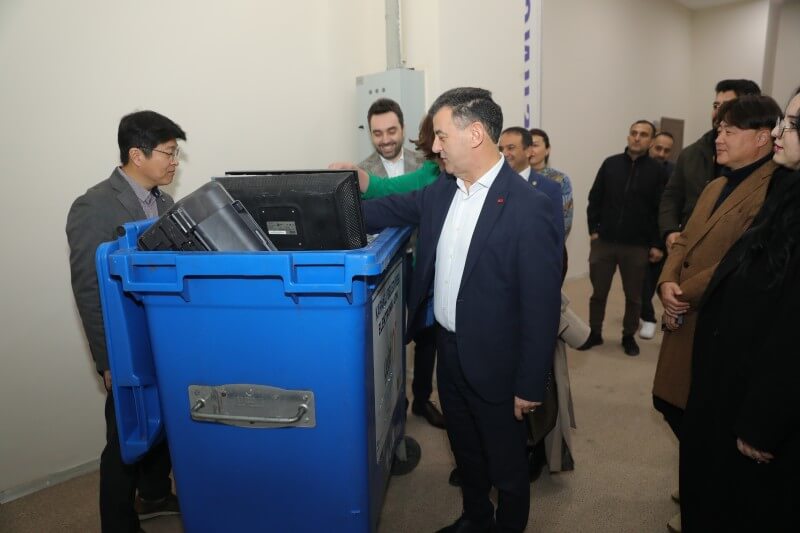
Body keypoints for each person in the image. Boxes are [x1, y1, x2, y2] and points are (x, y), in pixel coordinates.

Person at [362, 87, 563, 533]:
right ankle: (475, 517)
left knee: (507, 467)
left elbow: (542, 305)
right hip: (449, 352)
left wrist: (530, 383)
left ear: (474, 134)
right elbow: (385, 209)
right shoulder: (441, 192)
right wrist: (324, 205)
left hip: (499, 363)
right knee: (466, 451)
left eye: (440, 136)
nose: (434, 148)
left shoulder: (530, 208)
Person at [654, 95, 782, 533]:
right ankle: (699, 485)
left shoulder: (772, 190)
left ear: (762, 138)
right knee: (671, 404)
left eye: (730, 131)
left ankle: (705, 496)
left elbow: (738, 260)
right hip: (683, 312)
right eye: (719, 129)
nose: (719, 138)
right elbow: (683, 241)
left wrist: (683, 294)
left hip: (716, 319)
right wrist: (666, 283)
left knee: (707, 421)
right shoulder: (715, 185)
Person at [679, 87, 800, 532]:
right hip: (728, 380)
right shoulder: (786, 193)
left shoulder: (776, 191)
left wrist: (762, 420)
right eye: (783, 121)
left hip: (757, 400)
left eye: (793, 125)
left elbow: (791, 331)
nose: (780, 133)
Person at [66, 110, 185, 533]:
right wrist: (107, 361)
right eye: (169, 153)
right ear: (137, 154)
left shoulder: (165, 203)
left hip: (162, 336)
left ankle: (153, 495)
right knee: (125, 437)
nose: (175, 162)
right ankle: (117, 523)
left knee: (165, 422)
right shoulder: (93, 206)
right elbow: (88, 290)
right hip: (126, 343)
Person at [581, 120, 666, 356]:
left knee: (634, 296)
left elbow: (660, 209)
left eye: (643, 134)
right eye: (633, 133)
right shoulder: (610, 164)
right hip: (604, 242)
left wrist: (656, 243)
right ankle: (595, 332)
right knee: (598, 293)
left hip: (637, 245)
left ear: (651, 141)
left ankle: (628, 336)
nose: (637, 137)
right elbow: (594, 198)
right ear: (628, 136)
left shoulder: (657, 171)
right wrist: (593, 230)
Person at [659, 79, 761, 248]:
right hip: (688, 247)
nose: (718, 112)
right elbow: (671, 196)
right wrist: (670, 231)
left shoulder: (759, 157)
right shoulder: (691, 153)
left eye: (726, 106)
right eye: (715, 106)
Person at [639, 131, 676, 340]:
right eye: (658, 148)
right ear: (651, 145)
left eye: (666, 150)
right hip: (639, 240)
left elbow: (667, 211)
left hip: (664, 241)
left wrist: (659, 245)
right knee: (642, 286)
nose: (661, 153)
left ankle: (668, 325)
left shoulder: (673, 172)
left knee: (666, 289)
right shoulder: (639, 168)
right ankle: (648, 318)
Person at [358, 97, 424, 178]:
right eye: (378, 134)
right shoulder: (360, 174)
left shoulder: (425, 164)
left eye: (391, 132)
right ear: (371, 135)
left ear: (403, 130)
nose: (385, 140)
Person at [529, 128, 574, 237]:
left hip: (549, 241)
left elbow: (565, 218)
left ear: (547, 150)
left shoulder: (560, 179)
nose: (531, 150)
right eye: (527, 145)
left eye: (535, 145)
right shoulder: (516, 177)